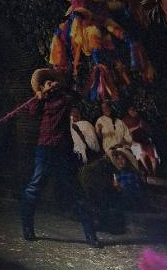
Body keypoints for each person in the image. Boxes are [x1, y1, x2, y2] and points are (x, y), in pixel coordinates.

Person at [12, 69, 101, 247]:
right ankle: (27, 228)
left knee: (77, 191)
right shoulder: (39, 102)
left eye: (53, 82)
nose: (52, 84)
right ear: (41, 86)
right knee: (34, 187)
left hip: (63, 151)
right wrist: (40, 94)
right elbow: (32, 112)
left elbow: (76, 95)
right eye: (47, 83)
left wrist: (62, 87)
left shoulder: (64, 99)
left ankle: (91, 236)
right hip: (44, 149)